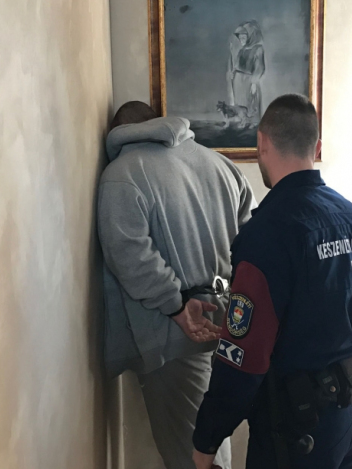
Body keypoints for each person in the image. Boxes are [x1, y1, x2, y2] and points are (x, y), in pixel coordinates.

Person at [192, 94, 352, 469]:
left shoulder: (267, 235)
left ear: (261, 142)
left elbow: (243, 357)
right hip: (349, 416)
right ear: (317, 147)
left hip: (295, 429)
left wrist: (207, 439)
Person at [98, 101, 256, 469]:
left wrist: (175, 304)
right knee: (213, 439)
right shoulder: (221, 165)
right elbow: (253, 244)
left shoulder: (122, 174)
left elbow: (129, 254)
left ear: (118, 132)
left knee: (194, 457)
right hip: (228, 321)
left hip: (176, 331)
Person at [227, 20, 265, 122]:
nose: (241, 40)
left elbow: (259, 68)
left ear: (250, 37)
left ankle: (252, 125)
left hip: (248, 81)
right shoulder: (242, 50)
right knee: (239, 106)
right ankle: (241, 124)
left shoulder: (258, 49)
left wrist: (254, 82)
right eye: (240, 38)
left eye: (243, 38)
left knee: (249, 106)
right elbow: (237, 65)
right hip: (238, 82)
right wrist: (233, 72)